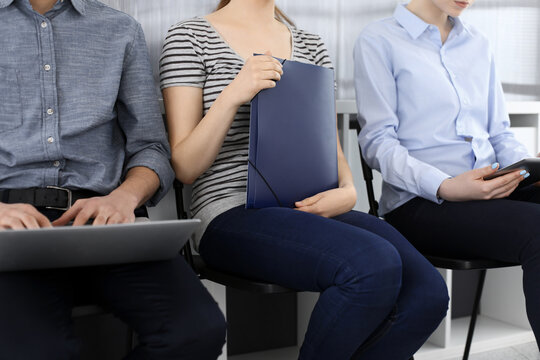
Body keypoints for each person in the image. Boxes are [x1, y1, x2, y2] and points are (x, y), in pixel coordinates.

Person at [160, 0, 449, 358]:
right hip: (230, 212)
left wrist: (348, 189)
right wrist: (233, 94)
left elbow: (327, 141)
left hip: (310, 204)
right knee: (371, 264)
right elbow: (185, 166)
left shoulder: (311, 44)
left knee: (428, 293)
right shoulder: (190, 36)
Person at [0, 0, 226, 358]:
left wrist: (125, 197)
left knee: (197, 331)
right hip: (9, 227)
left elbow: (150, 146)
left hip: (104, 219)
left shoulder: (120, 29)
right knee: (41, 351)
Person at [354, 0, 540, 349]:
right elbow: (378, 143)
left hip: (491, 186)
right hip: (421, 203)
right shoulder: (378, 40)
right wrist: (444, 185)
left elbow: (499, 134)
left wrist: (528, 169)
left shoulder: (478, 44)